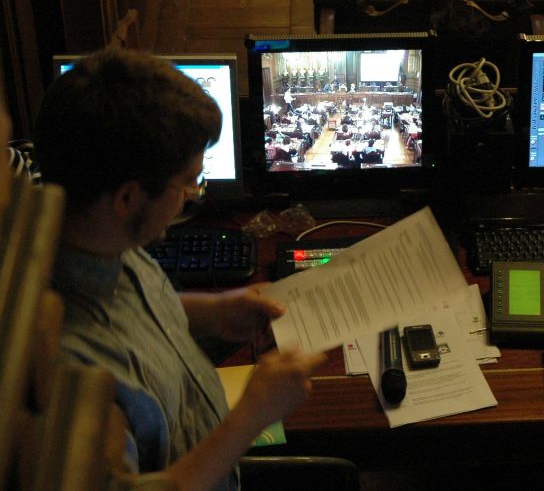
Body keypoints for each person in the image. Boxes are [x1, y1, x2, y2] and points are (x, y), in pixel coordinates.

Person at [32, 47, 326, 491]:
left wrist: (207, 312)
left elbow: (132, 308)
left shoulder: (101, 239)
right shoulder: (71, 371)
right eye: (189, 180)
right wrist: (252, 415)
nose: (193, 194)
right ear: (128, 198)